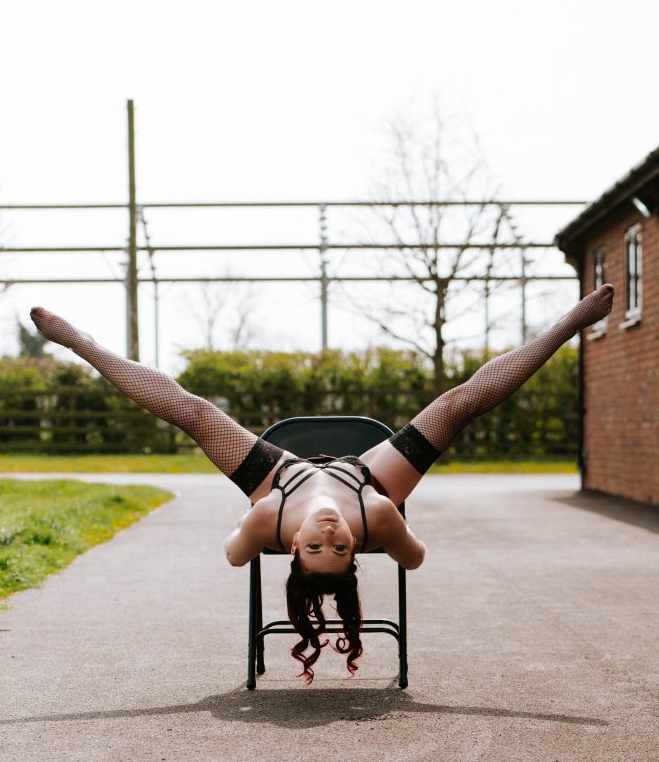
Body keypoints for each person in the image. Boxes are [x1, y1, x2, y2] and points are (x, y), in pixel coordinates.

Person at [31, 284, 614, 683]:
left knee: (194, 413)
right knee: (457, 405)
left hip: (280, 480)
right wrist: (385, 521)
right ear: (355, 548)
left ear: (294, 545)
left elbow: (233, 558)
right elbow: (415, 560)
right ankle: (569, 324)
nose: (331, 535)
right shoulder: (371, 520)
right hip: (366, 477)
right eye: (341, 549)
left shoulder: (271, 521)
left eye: (317, 548)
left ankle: (76, 341)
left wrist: (249, 529)